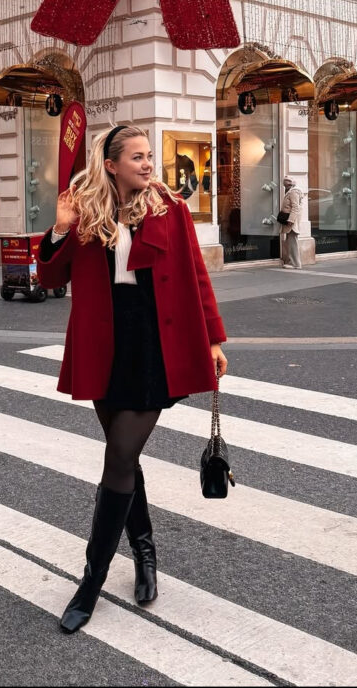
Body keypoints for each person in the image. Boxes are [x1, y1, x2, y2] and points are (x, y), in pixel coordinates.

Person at [37, 124, 228, 635]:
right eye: (138, 157)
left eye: (150, 156)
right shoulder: (84, 210)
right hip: (104, 347)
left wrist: (212, 338)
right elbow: (50, 279)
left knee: (119, 457)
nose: (148, 164)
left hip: (155, 346)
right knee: (126, 459)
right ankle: (145, 554)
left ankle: (90, 583)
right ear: (113, 163)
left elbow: (196, 274)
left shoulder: (171, 207)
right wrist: (58, 229)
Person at [278, 176, 304, 269]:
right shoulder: (291, 191)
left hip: (291, 221)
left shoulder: (293, 192)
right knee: (291, 241)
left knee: (293, 241)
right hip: (290, 220)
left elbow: (295, 207)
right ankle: (291, 261)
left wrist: (291, 220)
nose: (284, 185)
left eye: (286, 183)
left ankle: (295, 263)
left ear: (290, 184)